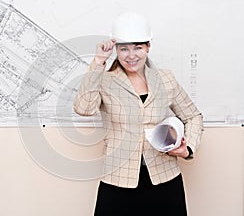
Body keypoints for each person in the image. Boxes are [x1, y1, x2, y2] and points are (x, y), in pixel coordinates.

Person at [73, 12, 203, 216]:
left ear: (148, 46)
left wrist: (188, 149)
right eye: (124, 48)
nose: (131, 55)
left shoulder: (165, 78)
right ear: (116, 49)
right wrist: (98, 62)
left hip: (164, 179)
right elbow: (84, 108)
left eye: (138, 47)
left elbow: (193, 116)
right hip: (118, 179)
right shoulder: (104, 79)